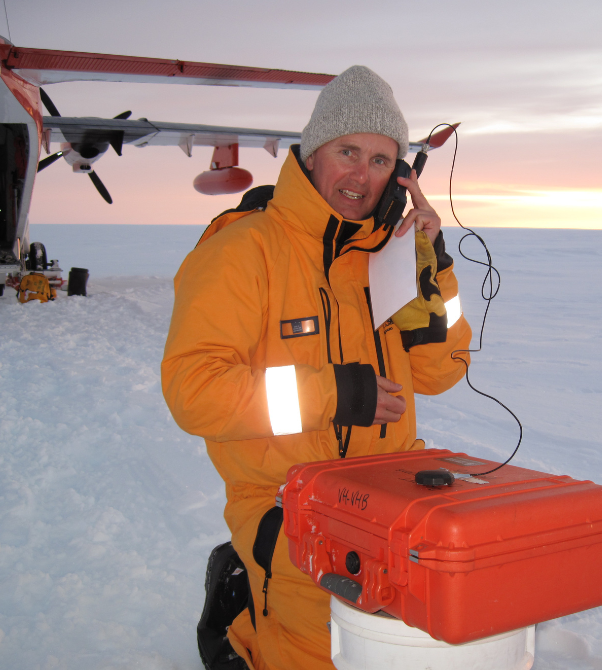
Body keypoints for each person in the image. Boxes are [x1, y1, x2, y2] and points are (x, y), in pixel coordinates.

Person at [162, 65, 471, 670]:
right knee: (321, 647)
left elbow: (441, 373)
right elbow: (193, 391)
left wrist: (432, 266)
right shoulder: (242, 250)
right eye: (347, 152)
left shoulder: (390, 256)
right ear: (312, 154)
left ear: (400, 176)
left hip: (389, 498)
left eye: (380, 160)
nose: (361, 176)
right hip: (284, 501)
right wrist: (333, 394)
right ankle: (244, 625)